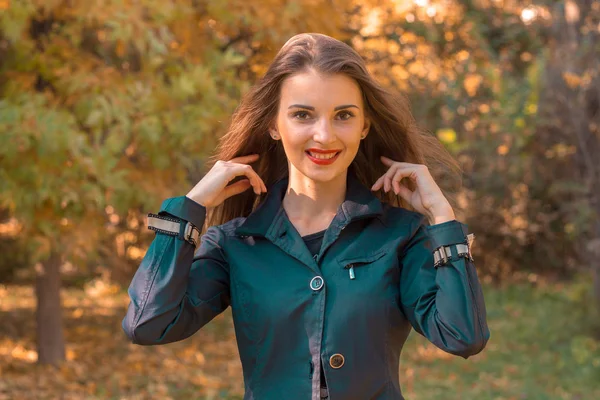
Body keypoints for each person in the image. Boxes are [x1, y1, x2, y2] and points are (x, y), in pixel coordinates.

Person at [122, 33, 490, 400]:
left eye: (343, 115)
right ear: (273, 125)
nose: (324, 135)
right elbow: (148, 324)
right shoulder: (234, 244)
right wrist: (190, 207)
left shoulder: (401, 235)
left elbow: (462, 335)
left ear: (364, 126)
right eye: (302, 115)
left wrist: (443, 221)